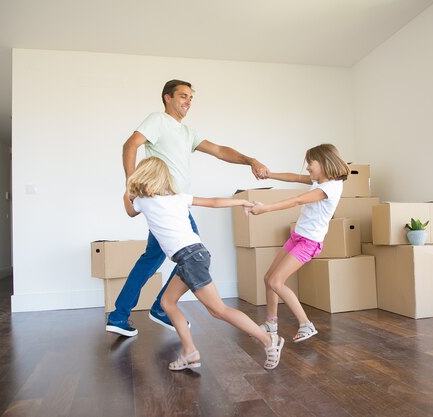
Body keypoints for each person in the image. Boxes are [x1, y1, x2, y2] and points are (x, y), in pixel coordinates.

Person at [106, 79, 269, 337]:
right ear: (167, 98)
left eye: (191, 98)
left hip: (177, 204)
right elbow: (131, 144)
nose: (188, 102)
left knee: (157, 259)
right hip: (167, 203)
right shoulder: (157, 120)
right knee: (193, 254)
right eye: (183, 96)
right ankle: (150, 309)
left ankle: (131, 312)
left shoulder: (187, 133)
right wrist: (130, 183)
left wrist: (249, 160)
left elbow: (219, 150)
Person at [124, 156, 284, 370]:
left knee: (218, 310)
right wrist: (241, 201)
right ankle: (190, 352)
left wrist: (127, 188)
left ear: (143, 176)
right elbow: (213, 202)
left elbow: (130, 211)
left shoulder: (143, 201)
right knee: (167, 302)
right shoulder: (178, 197)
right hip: (195, 254)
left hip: (189, 258)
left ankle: (268, 340)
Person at [249, 144, 350, 342]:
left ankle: (306, 325)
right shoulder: (320, 180)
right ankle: (271, 323)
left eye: (310, 163)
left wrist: (265, 208)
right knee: (268, 277)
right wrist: (270, 175)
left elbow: (297, 201)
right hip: (298, 236)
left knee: (276, 281)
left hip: (309, 242)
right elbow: (294, 177)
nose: (307, 168)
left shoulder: (328, 187)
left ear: (323, 162)